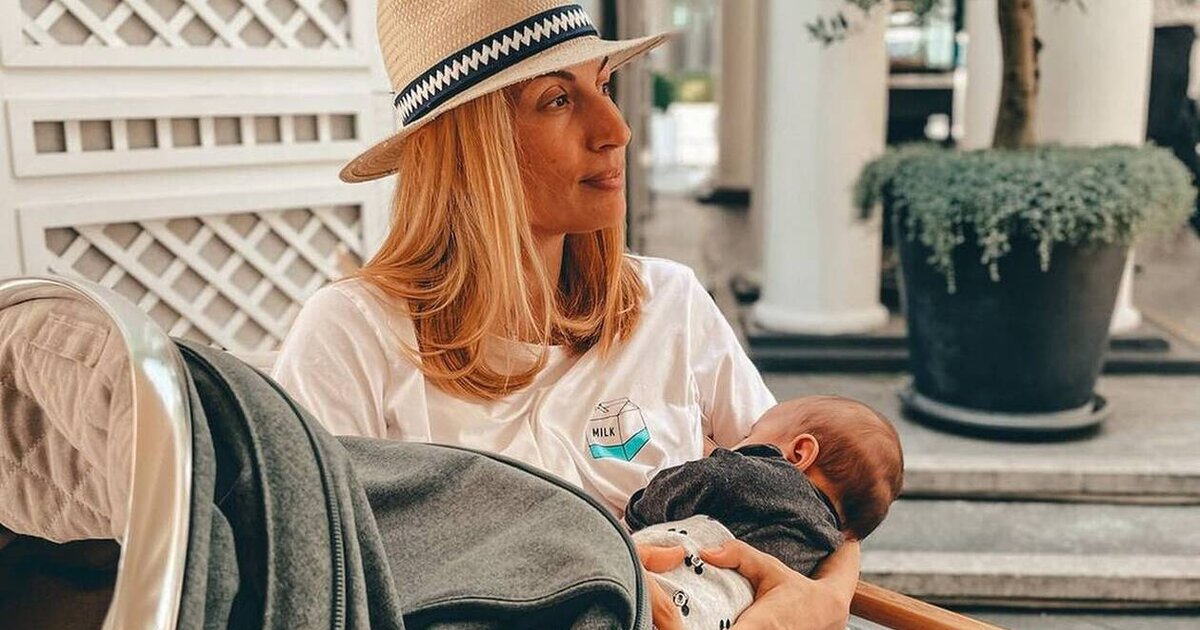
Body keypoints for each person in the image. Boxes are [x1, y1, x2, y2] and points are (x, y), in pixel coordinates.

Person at [271, 2, 862, 628]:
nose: (615, 128)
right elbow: (310, 580)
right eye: (557, 99)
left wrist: (824, 601)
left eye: (603, 85)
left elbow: (817, 493)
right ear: (469, 148)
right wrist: (581, 572)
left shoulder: (671, 302)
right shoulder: (352, 334)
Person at [624, 396, 905, 629]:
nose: (732, 447)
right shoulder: (824, 546)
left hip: (654, 591)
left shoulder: (758, 478)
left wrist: (640, 510)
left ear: (799, 453)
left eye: (748, 435)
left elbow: (690, 483)